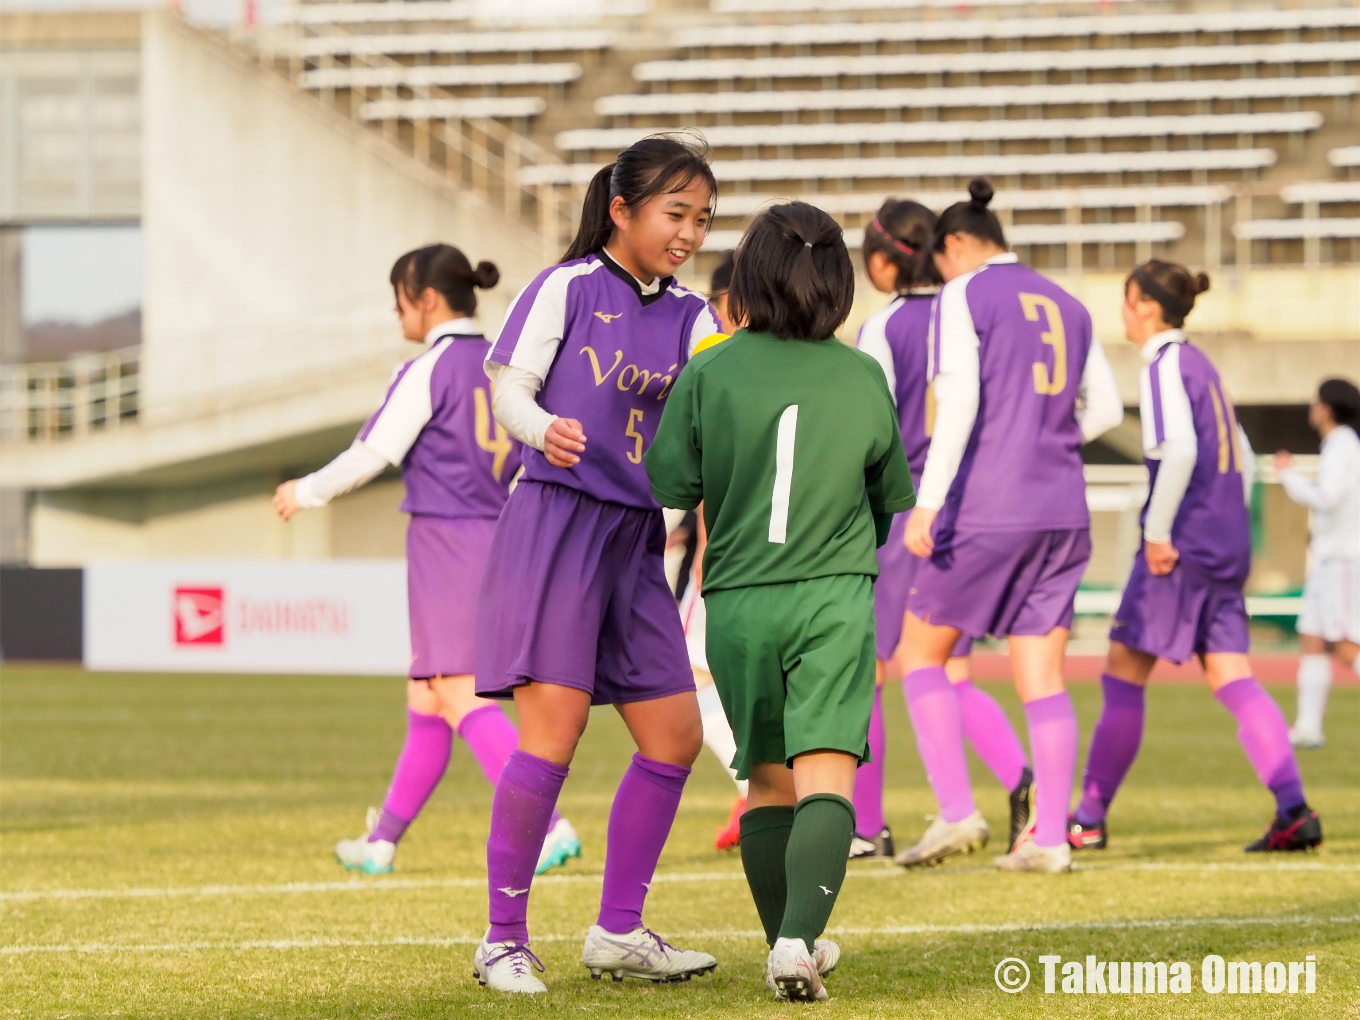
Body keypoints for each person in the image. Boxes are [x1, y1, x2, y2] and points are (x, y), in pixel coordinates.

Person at [470, 135, 722, 994]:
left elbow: (710, 421)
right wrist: (544, 429)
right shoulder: (568, 286)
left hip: (633, 539)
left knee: (675, 734)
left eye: (702, 219)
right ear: (622, 209)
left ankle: (618, 931)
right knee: (553, 736)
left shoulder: (696, 317)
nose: (688, 232)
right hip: (555, 524)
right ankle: (503, 939)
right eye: (674, 213)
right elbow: (508, 387)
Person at [646, 201, 917, 1001]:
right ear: (837, 281)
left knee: (765, 782)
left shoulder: (711, 367)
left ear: (750, 277)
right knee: (827, 777)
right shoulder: (862, 372)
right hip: (832, 594)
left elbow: (671, 481)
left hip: (736, 599)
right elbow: (888, 495)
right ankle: (799, 938)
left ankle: (787, 943)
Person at [271, 244, 578, 877]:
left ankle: (549, 826)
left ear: (426, 300)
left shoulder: (428, 368)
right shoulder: (505, 363)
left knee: (457, 691)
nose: (396, 311)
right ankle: (382, 842)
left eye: (399, 299)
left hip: (447, 544)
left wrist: (303, 492)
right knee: (428, 698)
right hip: (503, 534)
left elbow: (372, 453)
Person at [896, 179, 1123, 874]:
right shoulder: (1069, 302)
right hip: (1063, 509)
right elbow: (1108, 410)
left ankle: (958, 811)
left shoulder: (964, 294)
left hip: (989, 506)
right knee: (1043, 678)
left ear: (956, 246)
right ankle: (1050, 838)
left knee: (920, 655)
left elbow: (958, 400)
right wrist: (1047, 436)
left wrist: (929, 502)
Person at [1071, 260, 1323, 854]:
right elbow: (1241, 450)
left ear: (1149, 308)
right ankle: (1294, 809)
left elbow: (1179, 449)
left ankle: (1087, 817)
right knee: (1233, 675)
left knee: (1123, 674)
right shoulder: (1203, 365)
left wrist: (1158, 532)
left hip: (1180, 546)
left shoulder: (1163, 365)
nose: (1124, 313)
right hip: (1224, 544)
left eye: (1128, 301)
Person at [854, 199, 1034, 860]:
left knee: (869, 669)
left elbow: (866, 431)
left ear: (882, 260)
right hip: (966, 506)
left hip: (904, 510)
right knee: (951, 668)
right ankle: (1023, 781)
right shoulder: (974, 311)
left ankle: (866, 825)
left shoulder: (885, 327)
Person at [684, 248, 748, 852]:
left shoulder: (717, 361)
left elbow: (705, 467)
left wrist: (701, 541)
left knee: (692, 677)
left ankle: (760, 790)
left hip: (729, 549)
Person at [1276, 378, 1360, 748]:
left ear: (1327, 407)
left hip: (1343, 558)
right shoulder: (1337, 446)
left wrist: (1289, 476)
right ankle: (1309, 727)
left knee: (1343, 642)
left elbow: (1328, 497)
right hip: (1328, 557)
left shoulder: (1343, 446)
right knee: (1311, 635)